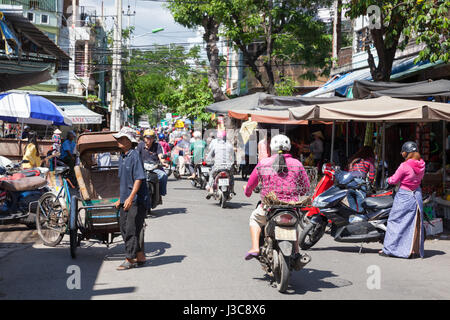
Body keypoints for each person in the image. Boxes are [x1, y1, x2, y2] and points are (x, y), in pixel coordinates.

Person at [243, 134, 310, 266]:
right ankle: (296, 252)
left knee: (255, 219)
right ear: (289, 147)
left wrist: (247, 191)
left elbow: (251, 184)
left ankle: (255, 247)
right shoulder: (297, 164)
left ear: (271, 147)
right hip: (292, 207)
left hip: (269, 207)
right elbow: (305, 187)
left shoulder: (264, 163)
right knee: (294, 226)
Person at [381, 141, 425, 259]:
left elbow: (394, 180)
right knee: (414, 223)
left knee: (395, 222)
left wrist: (387, 180)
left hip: (404, 196)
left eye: (403, 152)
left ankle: (390, 250)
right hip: (417, 195)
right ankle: (413, 251)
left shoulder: (404, 166)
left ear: (407, 153)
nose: (402, 154)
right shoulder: (422, 164)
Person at [113, 127, 149, 270]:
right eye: (119, 138)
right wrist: (120, 198)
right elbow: (124, 181)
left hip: (136, 200)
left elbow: (139, 178)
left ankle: (130, 259)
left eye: (122, 139)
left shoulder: (134, 155)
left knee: (131, 229)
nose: (119, 141)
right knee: (123, 226)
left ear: (129, 141)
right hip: (125, 199)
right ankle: (140, 256)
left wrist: (130, 197)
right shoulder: (122, 156)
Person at [137, 129, 168, 198]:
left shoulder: (157, 145)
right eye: (147, 138)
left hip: (154, 167)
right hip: (142, 168)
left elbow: (160, 155)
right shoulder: (140, 145)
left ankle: (161, 192)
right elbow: (136, 155)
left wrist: (163, 162)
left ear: (154, 138)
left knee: (163, 175)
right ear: (144, 138)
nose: (149, 140)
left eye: (151, 138)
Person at [205, 130, 235, 198]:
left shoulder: (215, 146)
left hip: (217, 167)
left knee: (212, 175)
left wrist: (208, 161)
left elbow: (209, 156)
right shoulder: (229, 145)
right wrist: (234, 162)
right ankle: (232, 190)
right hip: (228, 167)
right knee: (231, 177)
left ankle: (210, 188)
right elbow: (234, 156)